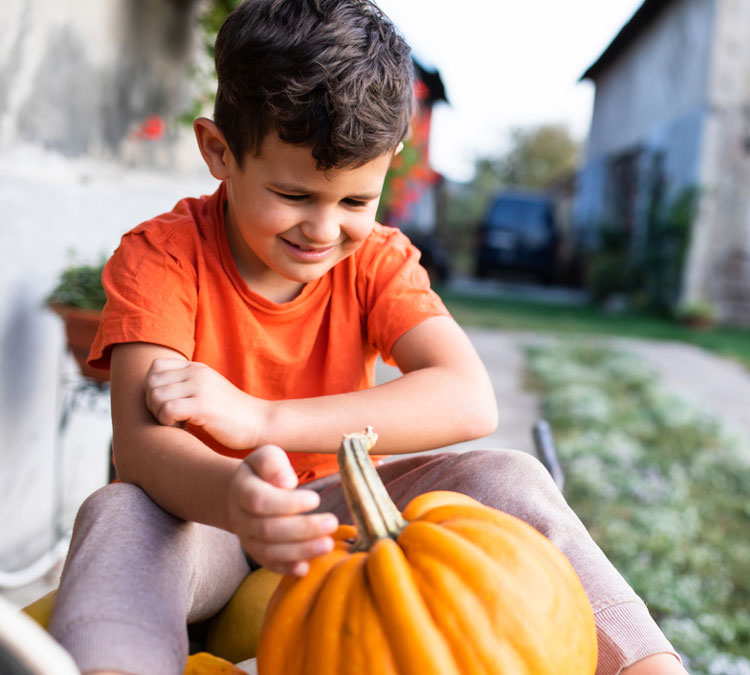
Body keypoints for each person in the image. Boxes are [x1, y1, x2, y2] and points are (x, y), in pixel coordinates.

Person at [46, 1, 684, 673]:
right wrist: (238, 495)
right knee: (117, 513)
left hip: (348, 509)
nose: (324, 230)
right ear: (218, 152)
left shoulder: (376, 259)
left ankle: (646, 665)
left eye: (354, 201)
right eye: (294, 195)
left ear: (389, 168)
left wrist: (261, 418)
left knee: (511, 476)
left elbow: (468, 398)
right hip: (204, 516)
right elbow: (144, 449)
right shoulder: (162, 257)